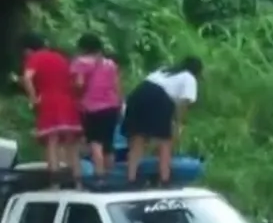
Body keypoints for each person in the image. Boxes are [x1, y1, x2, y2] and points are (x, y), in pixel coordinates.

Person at [121, 56, 203, 185]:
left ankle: (131, 178)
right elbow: (183, 104)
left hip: (138, 95)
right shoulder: (189, 78)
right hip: (159, 98)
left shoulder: (164, 70)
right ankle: (164, 178)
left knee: (138, 139)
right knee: (165, 142)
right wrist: (178, 124)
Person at [20, 33, 83, 183]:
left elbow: (27, 77)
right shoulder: (60, 58)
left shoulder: (35, 58)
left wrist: (33, 98)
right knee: (71, 142)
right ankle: (77, 181)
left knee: (51, 141)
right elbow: (75, 81)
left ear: (28, 50)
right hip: (68, 101)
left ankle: (55, 181)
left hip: (49, 101)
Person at [70, 33, 122, 178]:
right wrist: (119, 103)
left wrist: (76, 94)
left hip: (92, 108)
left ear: (82, 47)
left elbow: (79, 84)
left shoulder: (80, 62)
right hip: (111, 106)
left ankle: (100, 176)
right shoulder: (110, 63)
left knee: (95, 143)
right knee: (108, 144)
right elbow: (116, 85)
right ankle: (111, 177)